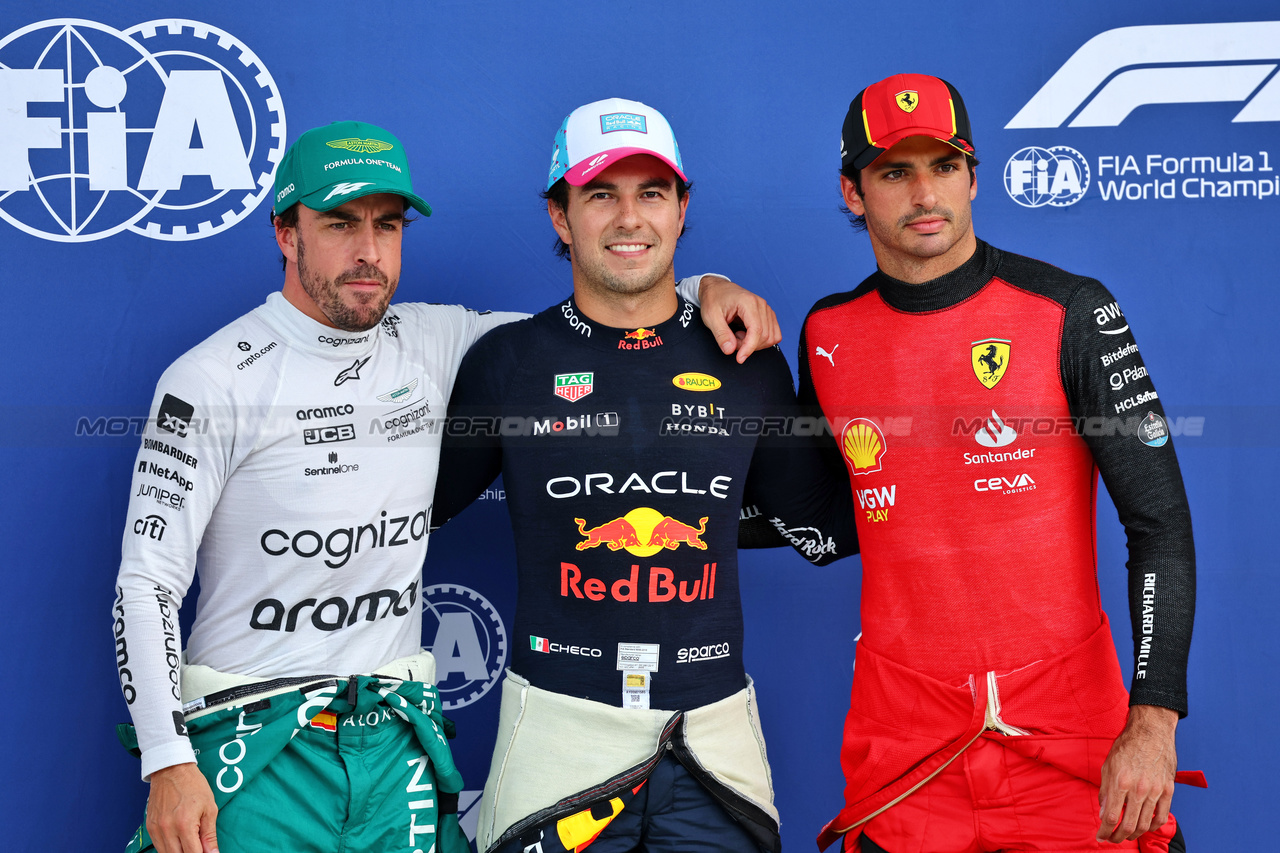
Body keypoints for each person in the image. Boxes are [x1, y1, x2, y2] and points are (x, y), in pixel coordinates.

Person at [112, 118, 780, 853]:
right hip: (252, 738)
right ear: (284, 232)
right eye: (338, 223)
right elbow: (145, 584)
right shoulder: (207, 380)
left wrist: (699, 285)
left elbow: (611, 313)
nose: (367, 252)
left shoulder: (441, 342)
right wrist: (167, 758)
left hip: (396, 741)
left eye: (387, 225)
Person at [429, 98, 855, 853]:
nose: (630, 218)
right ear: (562, 217)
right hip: (556, 738)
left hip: (710, 742)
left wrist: (944, 467)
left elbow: (818, 528)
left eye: (651, 193)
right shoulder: (508, 361)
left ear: (682, 210)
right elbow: (409, 513)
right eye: (601, 194)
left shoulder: (746, 359)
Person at [801, 74, 1199, 853]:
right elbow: (821, 516)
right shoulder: (828, 335)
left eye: (944, 167)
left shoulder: (1069, 309)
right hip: (907, 758)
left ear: (974, 177)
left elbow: (1160, 525)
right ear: (853, 192)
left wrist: (1153, 718)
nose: (925, 193)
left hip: (1071, 746)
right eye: (893, 172)